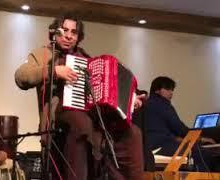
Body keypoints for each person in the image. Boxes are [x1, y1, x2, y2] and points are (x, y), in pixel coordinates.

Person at [15, 12, 144, 180]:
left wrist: (129, 100)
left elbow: (104, 89)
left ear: (78, 37)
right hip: (59, 117)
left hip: (91, 116)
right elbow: (21, 76)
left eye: (73, 32)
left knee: (133, 132)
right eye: (64, 30)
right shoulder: (43, 53)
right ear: (55, 32)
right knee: (81, 122)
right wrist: (53, 71)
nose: (68, 36)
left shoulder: (85, 58)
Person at [144, 76, 219, 171]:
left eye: (172, 89)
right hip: (160, 146)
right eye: (167, 89)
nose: (171, 92)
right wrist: (201, 139)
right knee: (204, 154)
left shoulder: (147, 103)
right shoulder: (162, 104)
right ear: (157, 90)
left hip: (150, 147)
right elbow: (180, 129)